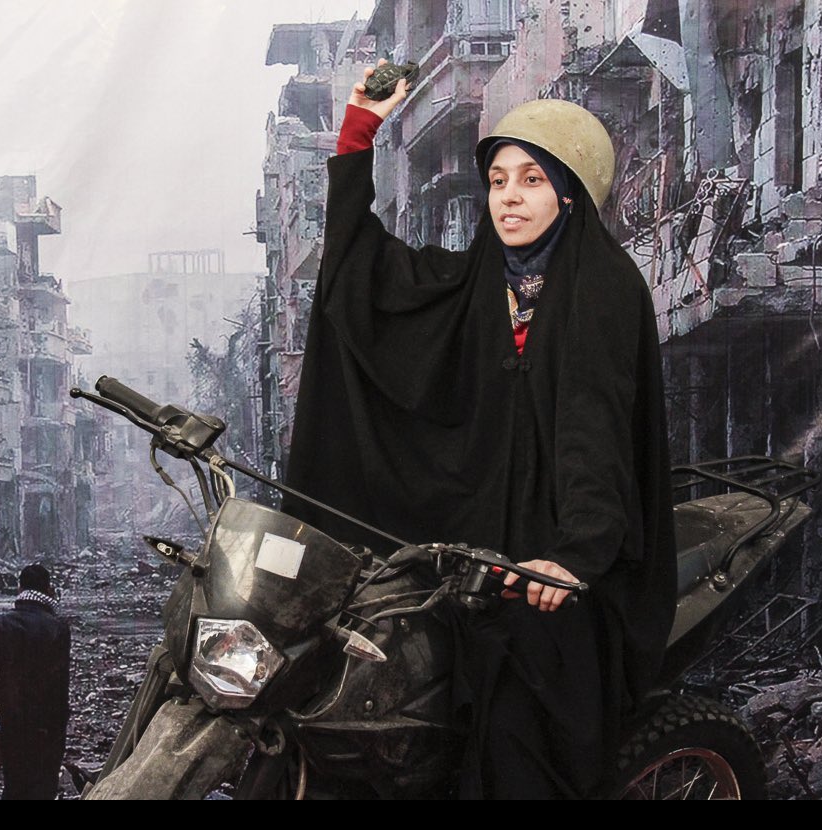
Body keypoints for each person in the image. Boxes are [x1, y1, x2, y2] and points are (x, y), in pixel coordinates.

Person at [282, 62, 676, 798]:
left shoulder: (603, 290)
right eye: (497, 182)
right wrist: (360, 130)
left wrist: (574, 558)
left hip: (558, 566)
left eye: (530, 179)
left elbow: (597, 436)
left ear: (567, 188)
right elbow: (361, 277)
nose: (509, 198)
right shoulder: (478, 283)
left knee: (518, 740)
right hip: (475, 554)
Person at [0, 564, 71, 800]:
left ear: (19, 588)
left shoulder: (0, 624)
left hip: (13, 719)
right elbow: (60, 680)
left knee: (15, 784)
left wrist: (2, 687)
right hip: (49, 723)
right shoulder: (58, 627)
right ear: (49, 590)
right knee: (44, 786)